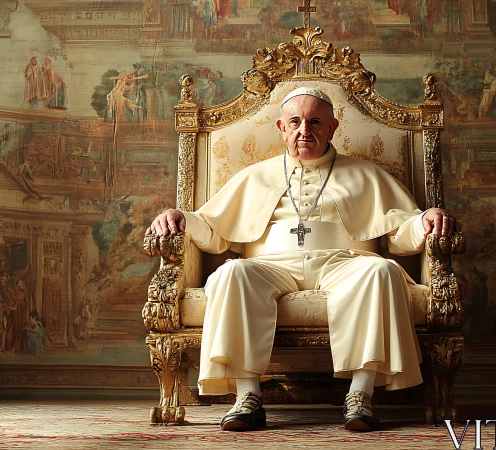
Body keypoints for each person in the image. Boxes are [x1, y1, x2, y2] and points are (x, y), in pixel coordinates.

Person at [147, 87, 460, 432]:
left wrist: (424, 219)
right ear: (282, 128)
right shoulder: (255, 176)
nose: (304, 130)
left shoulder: (366, 174)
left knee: (381, 270)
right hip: (271, 264)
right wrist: (180, 217)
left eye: (314, 122)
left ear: (332, 128)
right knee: (231, 273)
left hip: (345, 261)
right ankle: (247, 397)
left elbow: (401, 233)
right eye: (294, 122)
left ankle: (361, 394)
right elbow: (213, 230)